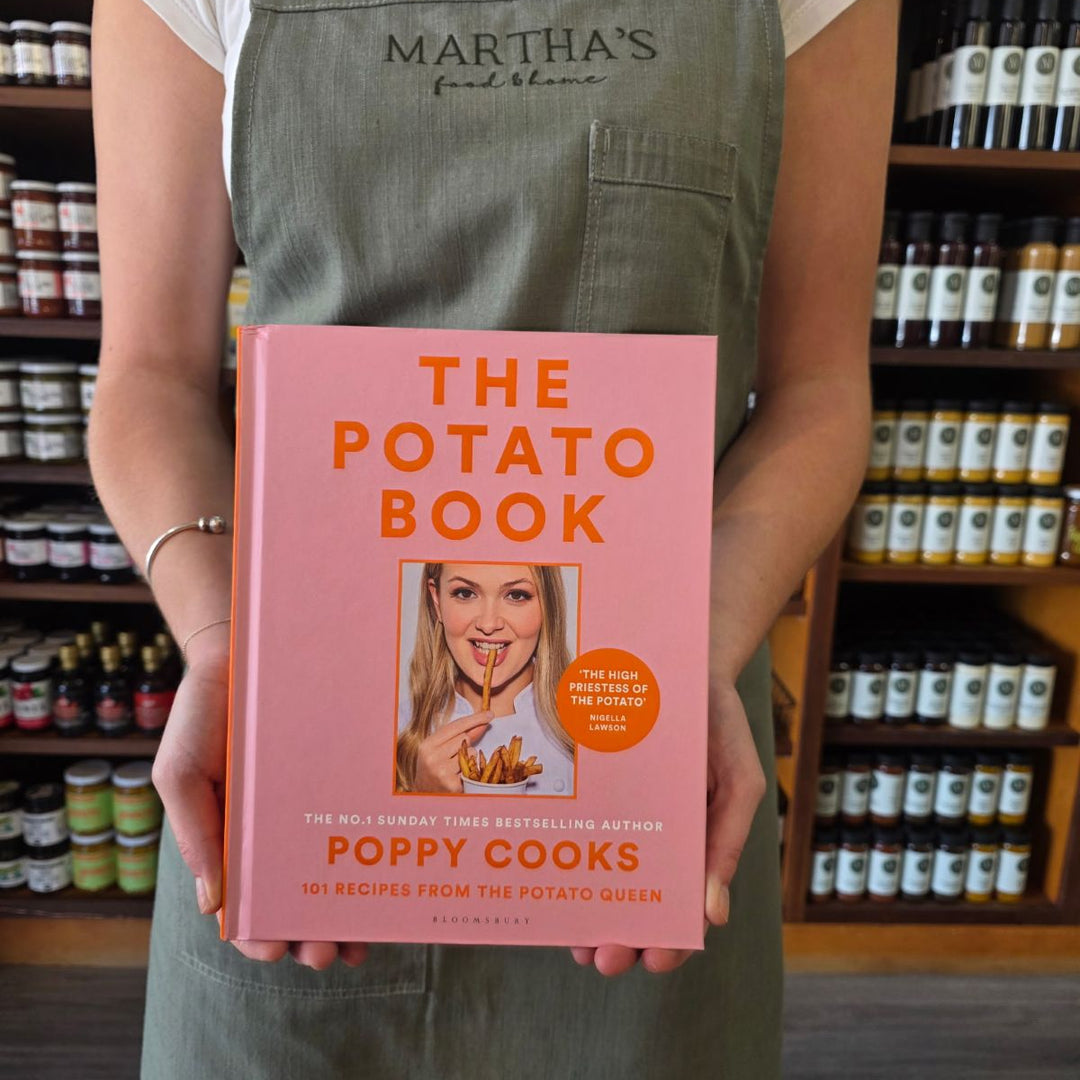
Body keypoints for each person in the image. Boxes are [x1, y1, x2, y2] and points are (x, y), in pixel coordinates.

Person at [90, 0, 898, 1074]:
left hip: (642, 748)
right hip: (300, 758)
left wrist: (692, 643)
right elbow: (150, 377)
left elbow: (820, 387)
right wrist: (224, 632)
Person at [395, 562, 575, 796]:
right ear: (437, 601)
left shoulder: (587, 729)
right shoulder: (396, 728)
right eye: (465, 593)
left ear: (547, 607)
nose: (489, 624)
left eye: (516, 595)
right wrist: (423, 797)